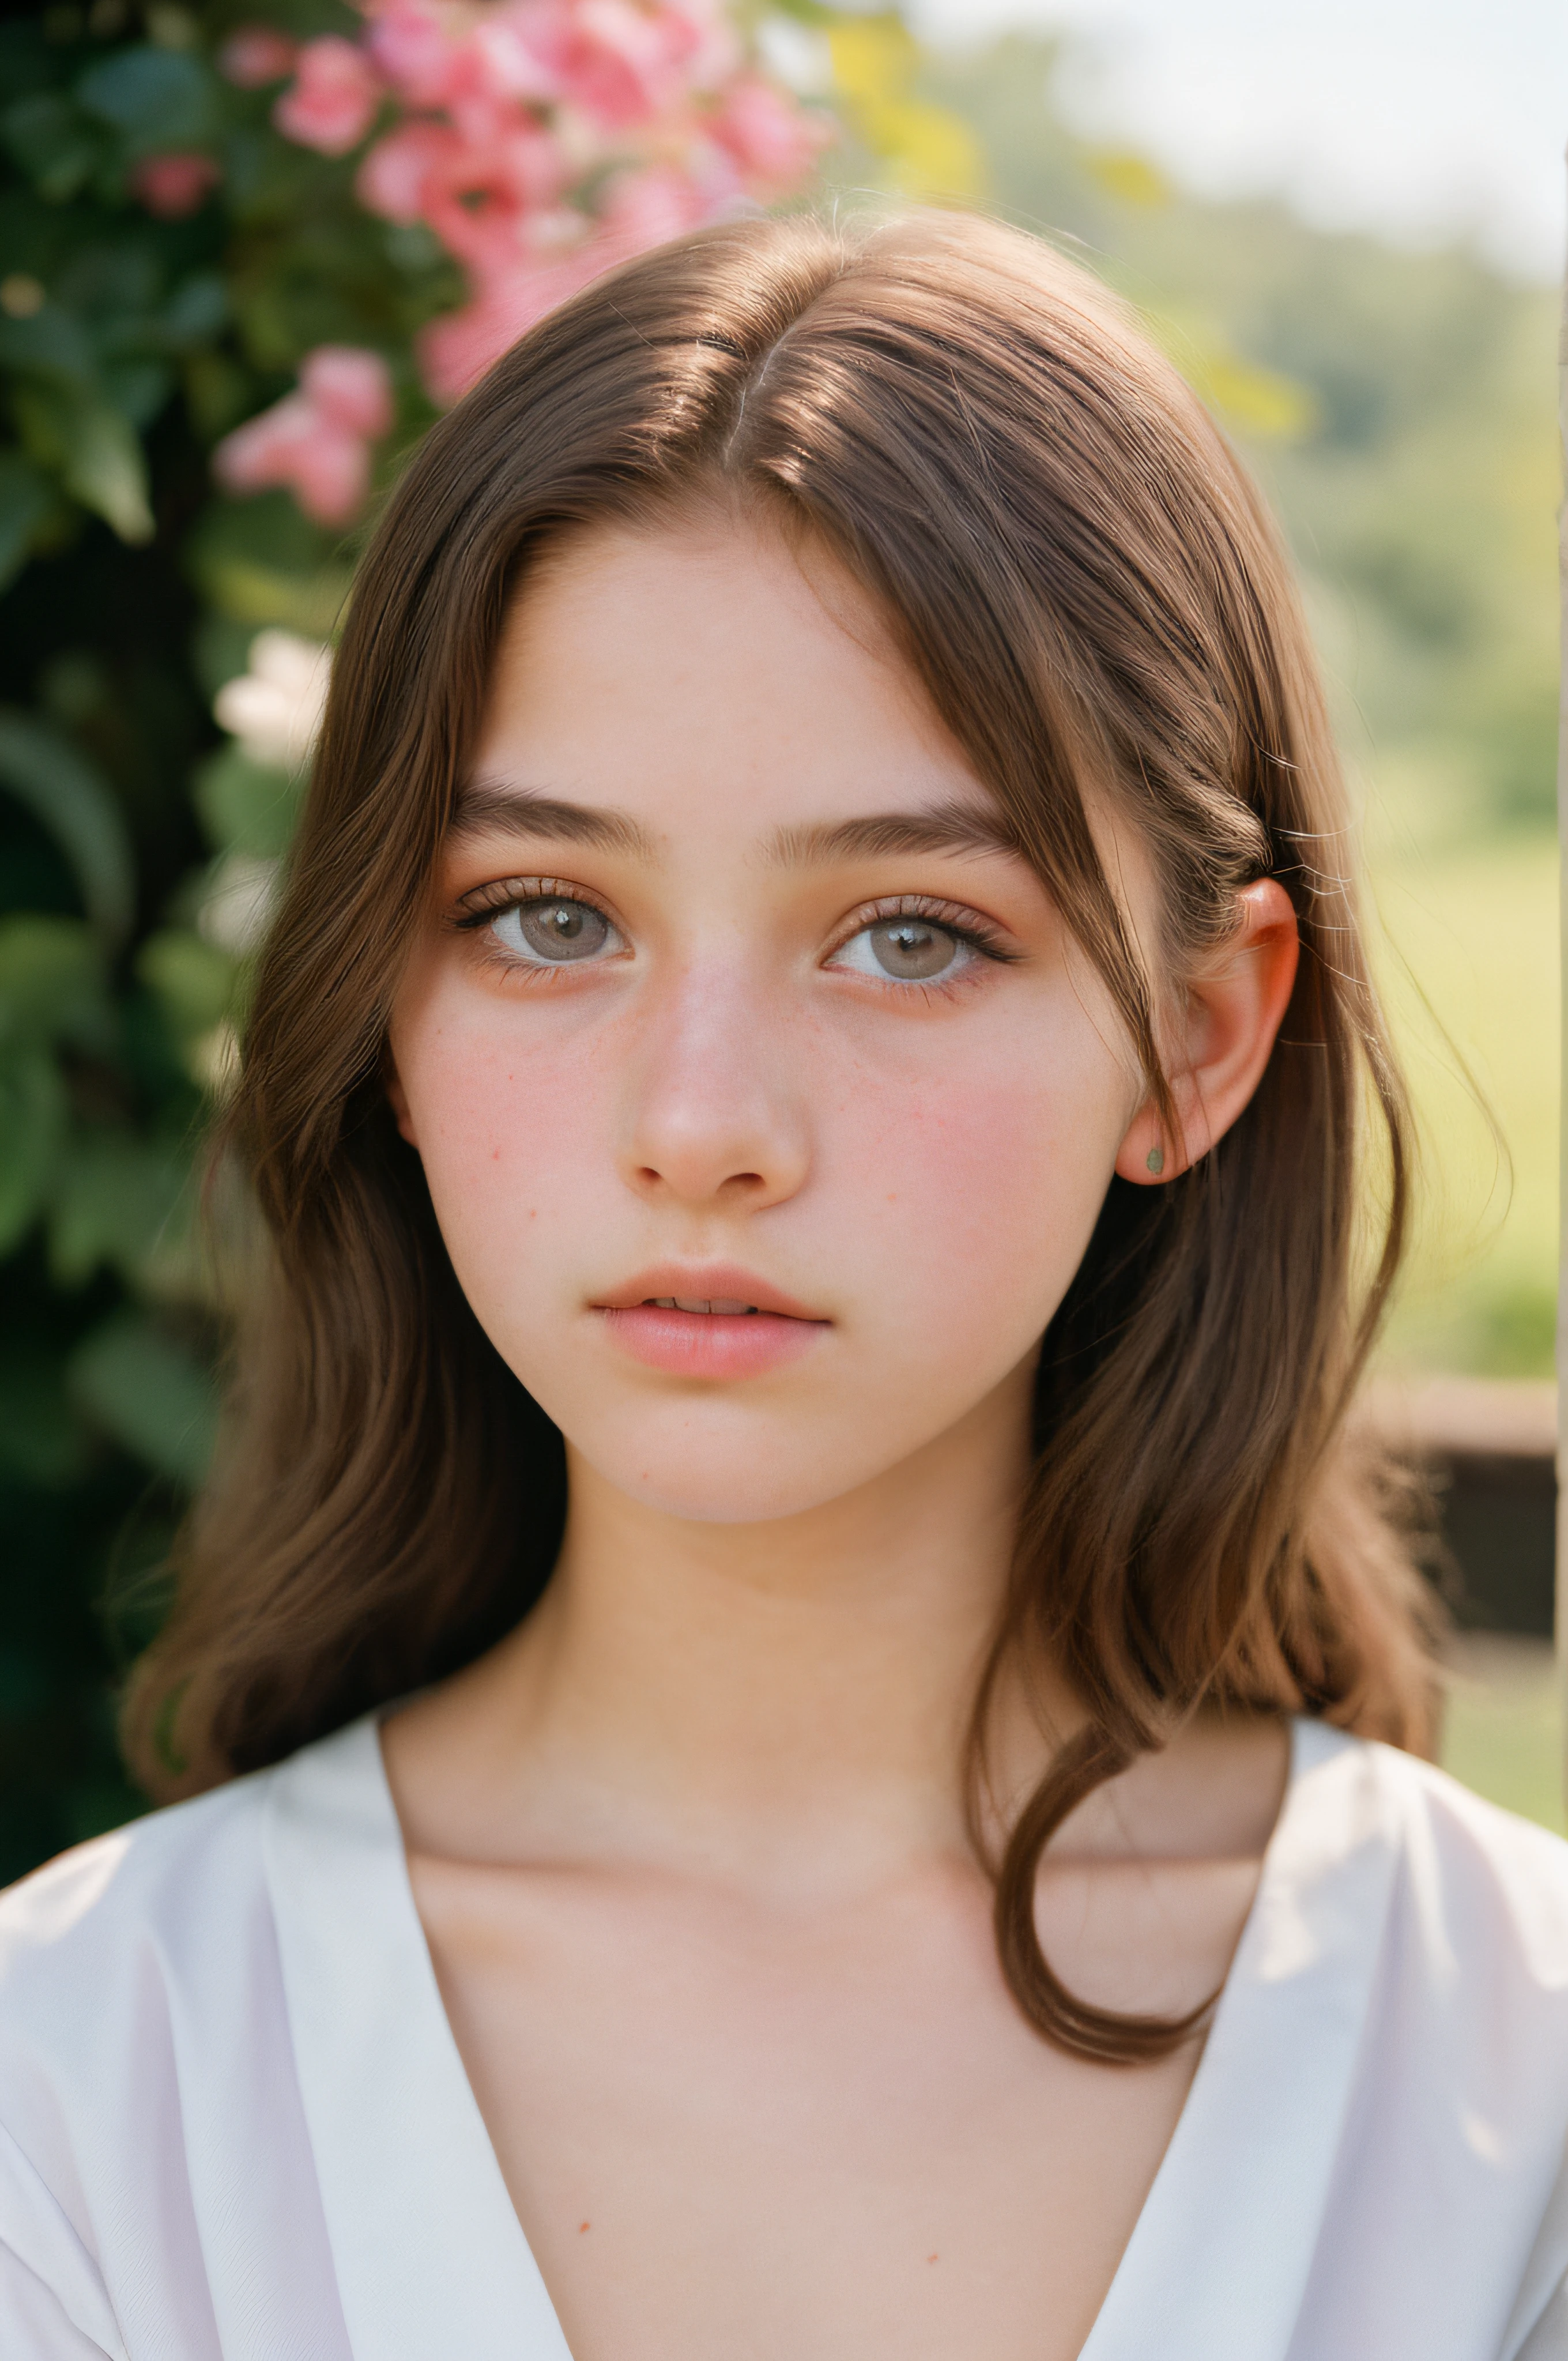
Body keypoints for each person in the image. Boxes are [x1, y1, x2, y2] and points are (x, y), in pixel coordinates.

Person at [1, 209, 1565, 2361]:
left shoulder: (1515, 2084)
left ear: (1204, 1035)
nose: (702, 1122)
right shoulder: (81, 2092)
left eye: (910, 932)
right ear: (385, 1004)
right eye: (547, 916)